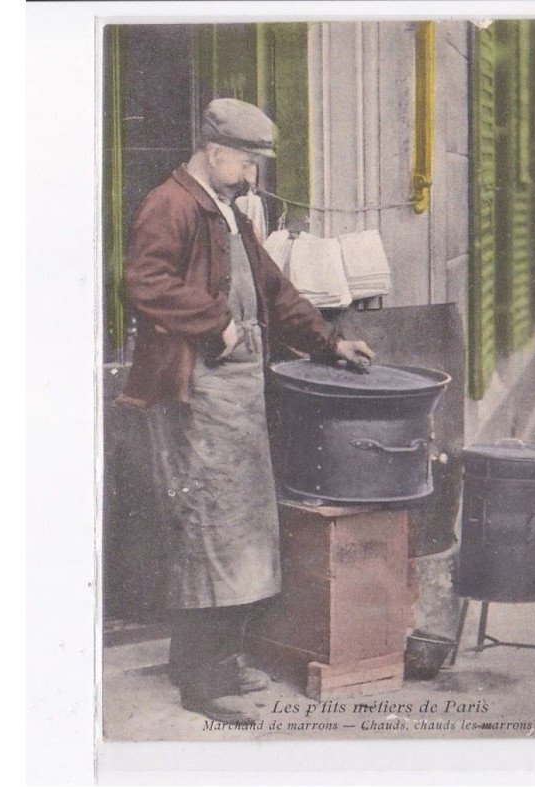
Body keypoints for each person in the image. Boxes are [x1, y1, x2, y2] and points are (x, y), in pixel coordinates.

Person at [117, 98, 374, 724]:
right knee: (209, 533)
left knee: (234, 534)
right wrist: (219, 327)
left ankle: (208, 661)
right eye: (248, 163)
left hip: (234, 400)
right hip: (195, 399)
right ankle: (205, 684)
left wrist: (331, 342)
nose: (253, 177)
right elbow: (143, 281)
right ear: (215, 152)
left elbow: (276, 291)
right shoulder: (171, 204)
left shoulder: (228, 212)